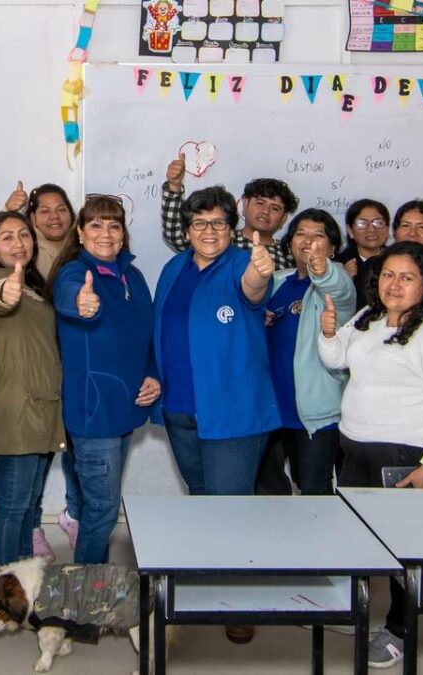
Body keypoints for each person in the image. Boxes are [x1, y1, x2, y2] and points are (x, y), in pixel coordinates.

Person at [318, 240, 423, 669]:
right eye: (387, 274)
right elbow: (335, 359)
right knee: (361, 542)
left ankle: (401, 630)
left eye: (407, 277)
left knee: (406, 552)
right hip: (355, 451)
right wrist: (330, 331)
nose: (394, 284)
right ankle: (361, 614)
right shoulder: (369, 318)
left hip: (404, 457)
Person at [153, 186, 280, 645]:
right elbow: (158, 328)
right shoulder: (173, 268)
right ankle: (209, 582)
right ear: (187, 230)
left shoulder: (244, 266)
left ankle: (240, 601)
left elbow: (253, 292)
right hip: (180, 409)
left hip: (232, 412)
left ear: (233, 228)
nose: (209, 232)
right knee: (202, 495)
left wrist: (261, 274)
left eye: (219, 223)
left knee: (230, 507)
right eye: (200, 223)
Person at [49, 195, 159, 564]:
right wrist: (81, 303)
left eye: (113, 225)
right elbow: (68, 296)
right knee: (102, 512)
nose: (106, 233)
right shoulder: (75, 273)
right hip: (94, 415)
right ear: (80, 233)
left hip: (126, 409)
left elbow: (146, 333)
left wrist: (153, 374)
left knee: (98, 509)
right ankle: (83, 604)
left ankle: (85, 595)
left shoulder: (133, 275)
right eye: (95, 225)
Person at [0, 211, 66, 566]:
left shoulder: (34, 288)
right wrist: (6, 290)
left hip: (42, 411)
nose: (18, 243)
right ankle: (5, 587)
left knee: (28, 507)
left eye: (24, 234)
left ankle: (25, 583)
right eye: (7, 237)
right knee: (13, 507)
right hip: (16, 413)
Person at [3, 180, 80, 561]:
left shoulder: (82, 249)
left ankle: (74, 513)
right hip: (36, 370)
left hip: (76, 365)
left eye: (61, 208)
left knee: (76, 447)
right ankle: (32, 526)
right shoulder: (25, 257)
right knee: (38, 453)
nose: (54, 216)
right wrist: (12, 212)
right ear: (32, 218)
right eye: (44, 210)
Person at [264, 209, 355, 496]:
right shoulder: (277, 281)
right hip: (271, 408)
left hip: (314, 412)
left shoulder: (337, 281)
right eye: (301, 233)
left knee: (314, 489)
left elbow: (337, 288)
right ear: (290, 241)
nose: (309, 241)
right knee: (266, 491)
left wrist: (322, 270)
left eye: (319, 236)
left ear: (333, 246)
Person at [161, 156, 297, 271]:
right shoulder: (221, 237)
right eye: (259, 203)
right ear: (244, 205)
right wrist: (174, 186)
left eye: (275, 208)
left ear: (284, 218)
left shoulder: (289, 253)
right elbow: (176, 237)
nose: (265, 211)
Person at [335, 198, 390, 310]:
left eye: (378, 222)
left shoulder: (397, 260)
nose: (371, 229)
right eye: (362, 223)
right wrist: (345, 281)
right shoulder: (338, 264)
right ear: (350, 230)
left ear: (387, 228)